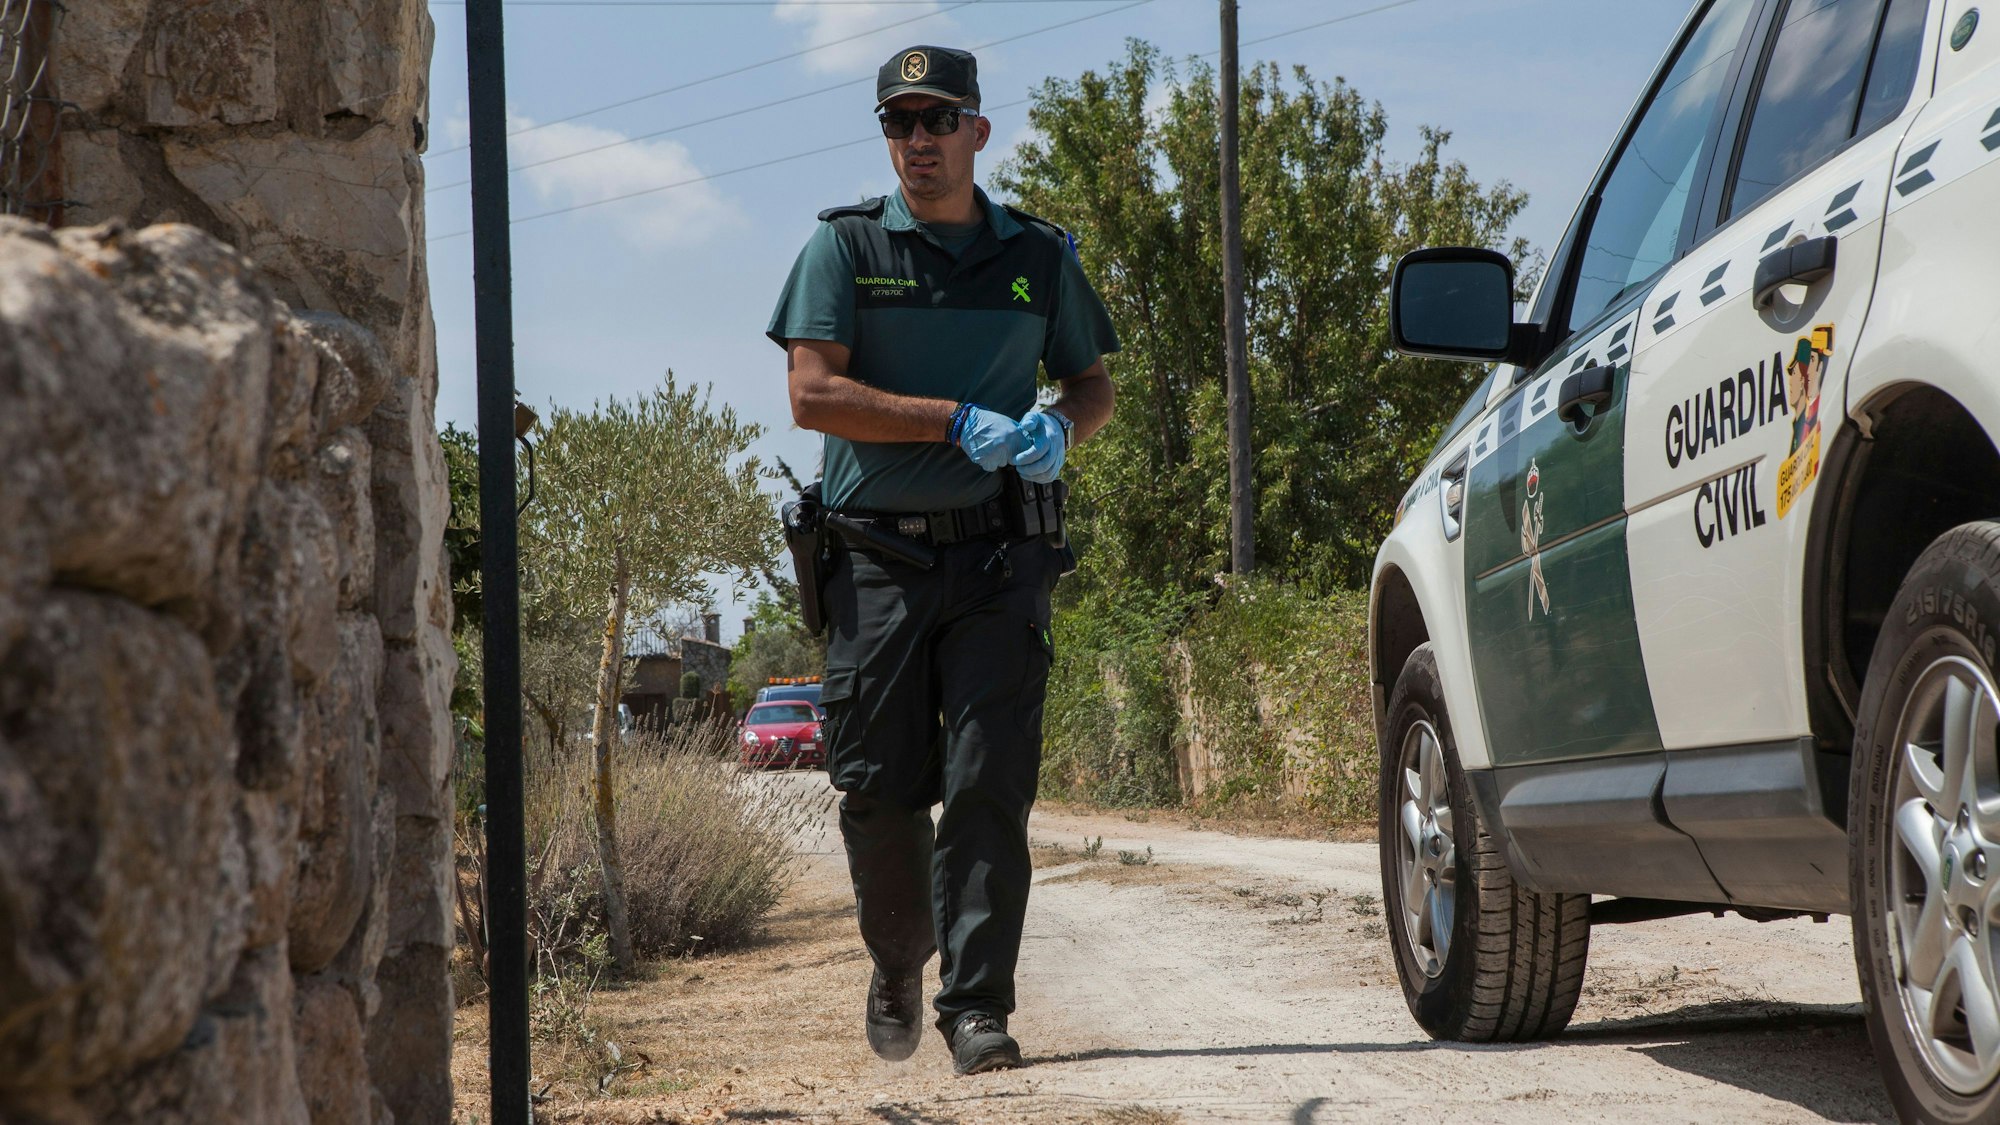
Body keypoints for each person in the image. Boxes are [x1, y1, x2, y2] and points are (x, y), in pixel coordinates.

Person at [765, 44, 1119, 1075]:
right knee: (876, 790)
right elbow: (810, 395)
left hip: (998, 562)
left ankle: (976, 1008)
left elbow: (1088, 383)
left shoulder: (1038, 256)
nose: (917, 141)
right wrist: (948, 418)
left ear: (978, 130)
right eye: (898, 123)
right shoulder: (842, 249)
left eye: (937, 119)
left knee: (984, 784)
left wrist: (1059, 426)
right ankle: (896, 955)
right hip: (873, 562)